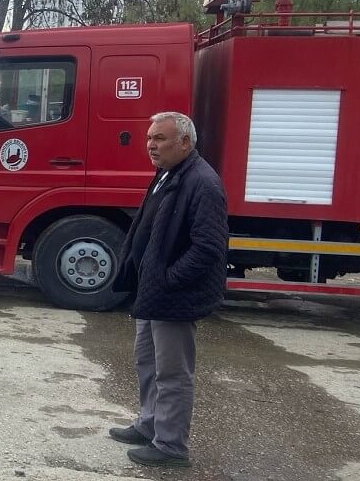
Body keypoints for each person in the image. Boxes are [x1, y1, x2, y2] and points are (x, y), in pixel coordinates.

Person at [109, 111, 228, 468]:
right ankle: (150, 424)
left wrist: (169, 280)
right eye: (149, 138)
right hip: (153, 293)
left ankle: (172, 446)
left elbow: (208, 247)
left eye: (160, 139)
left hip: (173, 297)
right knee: (147, 362)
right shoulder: (169, 174)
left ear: (185, 142)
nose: (151, 145)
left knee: (173, 373)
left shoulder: (202, 183)